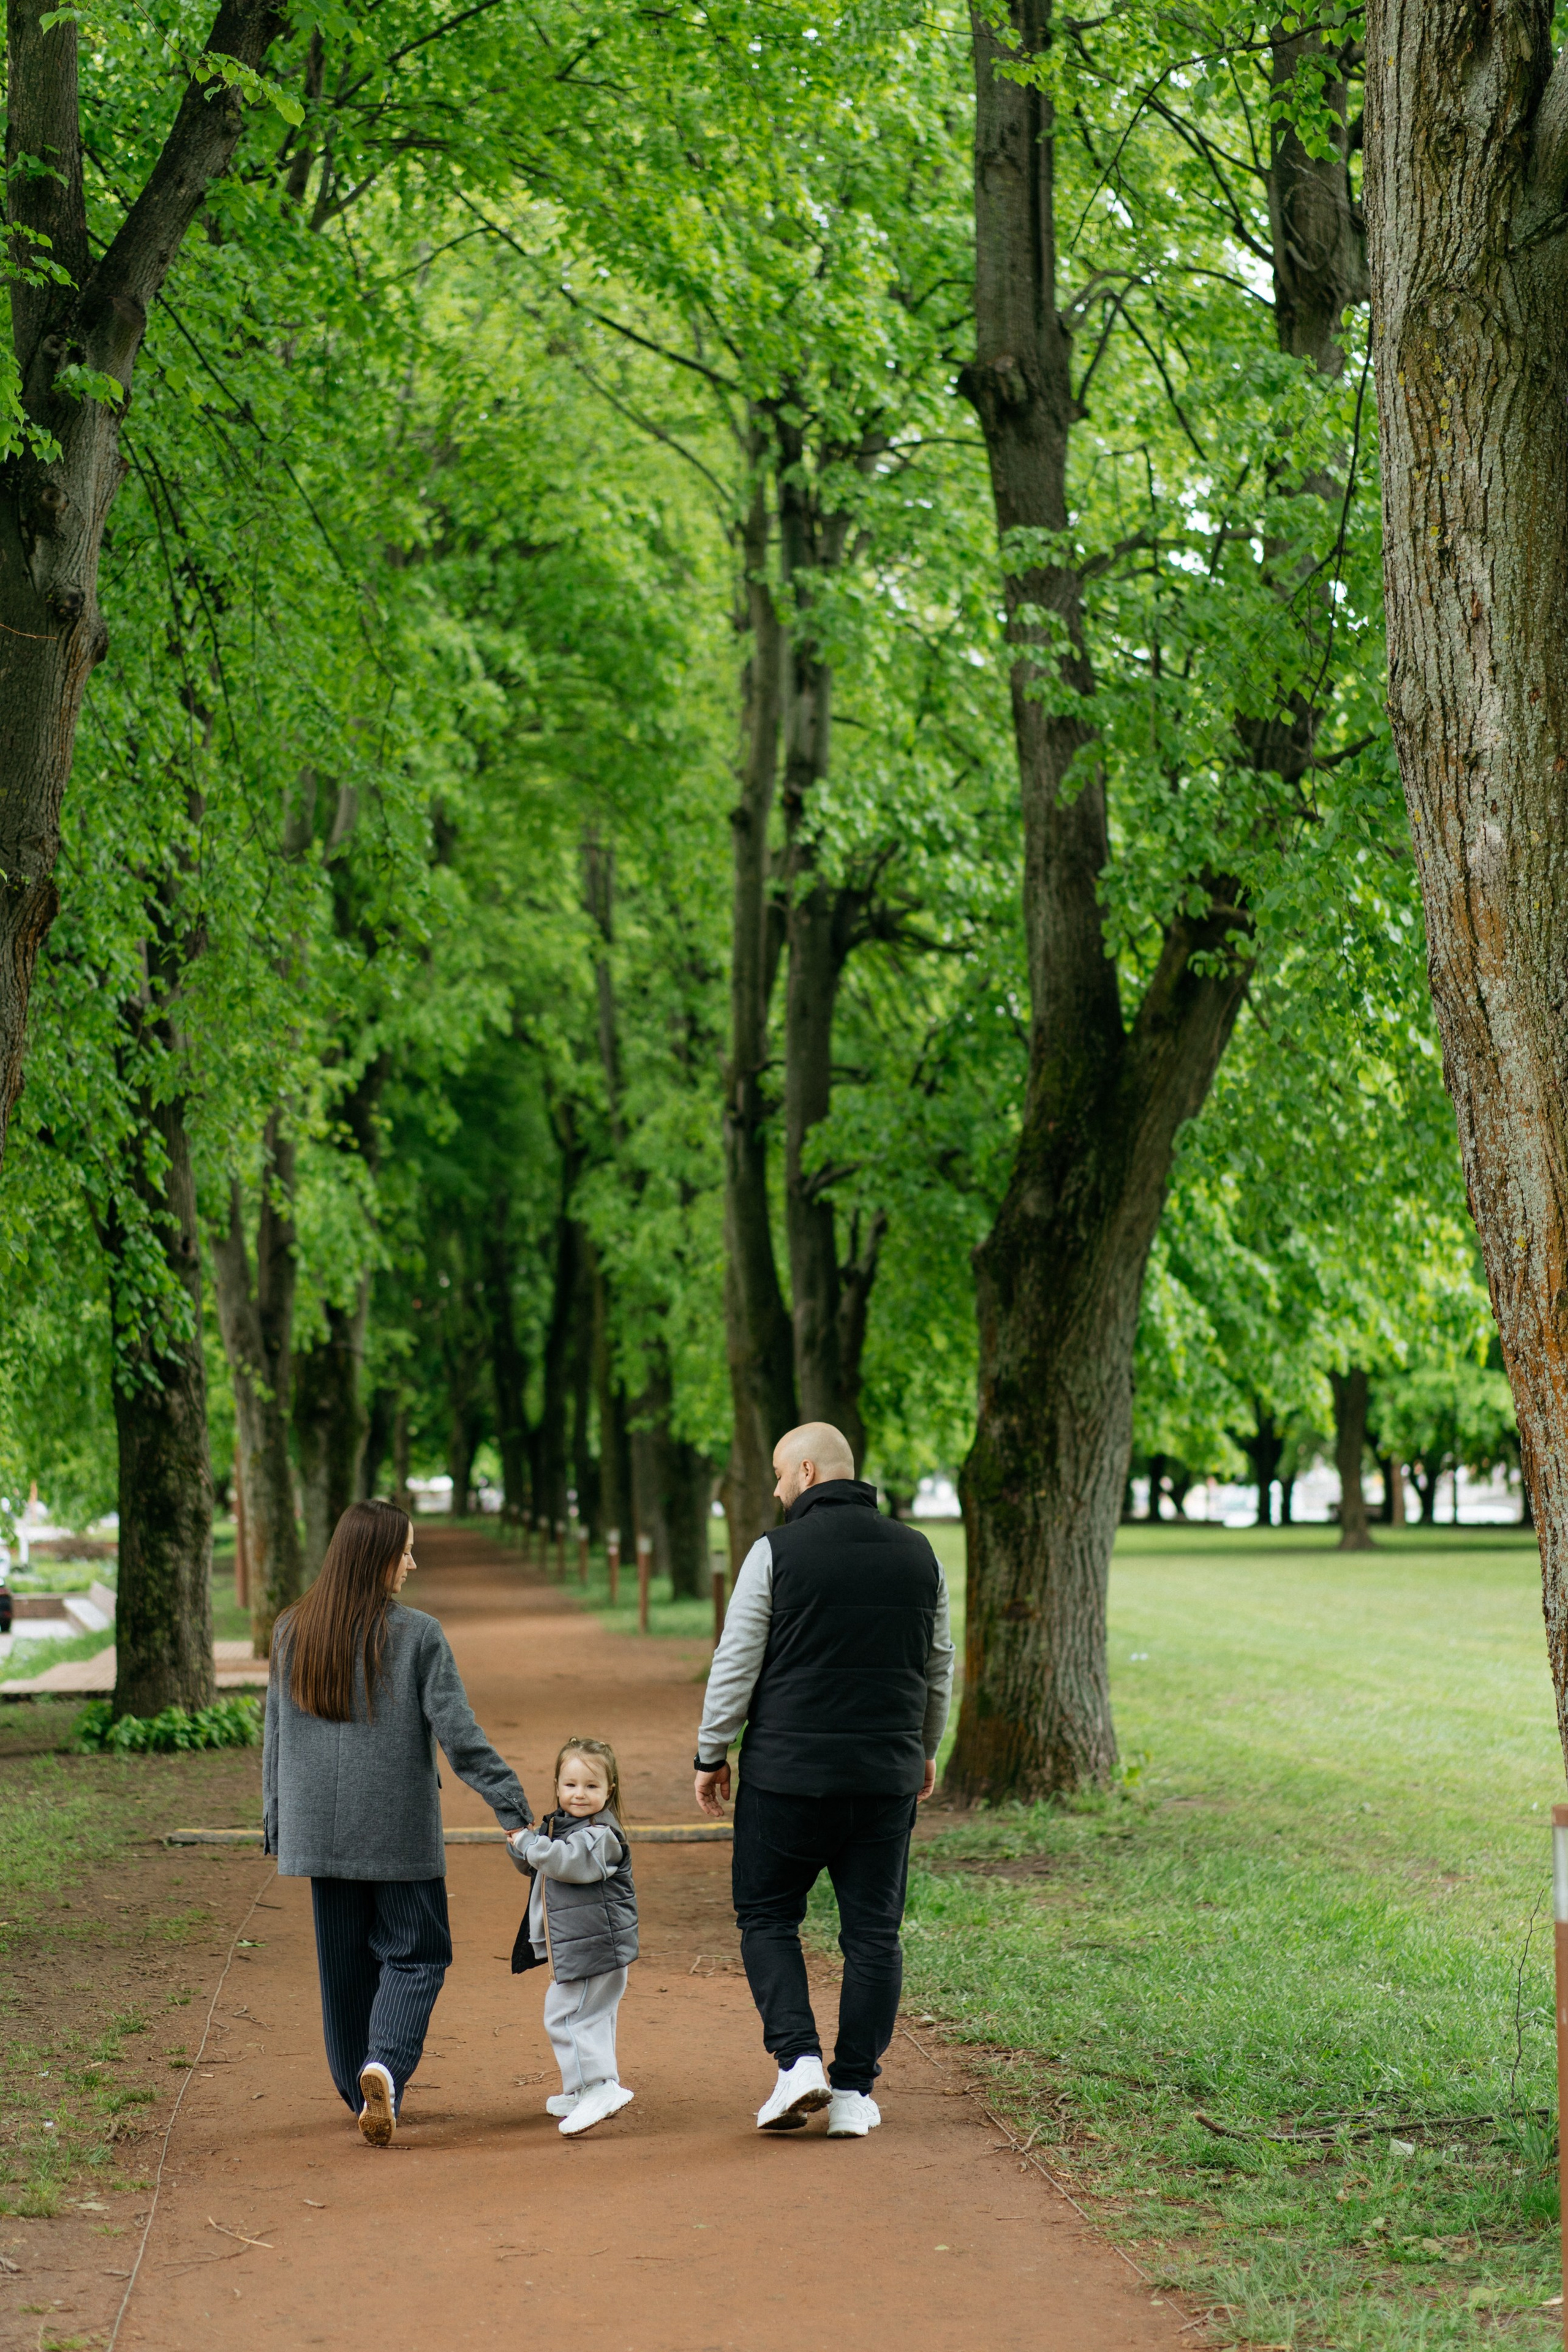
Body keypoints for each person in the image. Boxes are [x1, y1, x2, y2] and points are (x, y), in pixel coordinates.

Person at [694, 1422, 955, 2139]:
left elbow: (736, 1659)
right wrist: (926, 1748)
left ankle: (798, 2061)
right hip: (884, 1779)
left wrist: (711, 1751)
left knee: (768, 1916)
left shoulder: (774, 1553)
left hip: (786, 1780)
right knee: (874, 1935)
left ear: (807, 1472)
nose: (776, 1489)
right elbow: (937, 1665)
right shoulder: (919, 1554)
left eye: (780, 1474)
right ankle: (854, 2094)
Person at [263, 1498, 532, 2147]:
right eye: (405, 1550)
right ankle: (383, 2064)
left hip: (317, 1831)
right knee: (417, 1953)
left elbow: (274, 1736)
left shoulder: (291, 1629)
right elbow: (459, 1734)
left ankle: (358, 2082)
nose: (412, 1562)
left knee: (344, 1967)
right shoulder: (415, 1633)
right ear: (377, 1556)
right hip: (394, 1827)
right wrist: (512, 1807)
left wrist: (275, 1820)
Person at [508, 1735, 638, 2138]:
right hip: (590, 1942)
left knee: (566, 2014)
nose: (579, 1794)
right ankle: (587, 2086)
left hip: (596, 1944)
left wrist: (530, 1844)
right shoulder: (564, 1825)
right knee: (590, 2015)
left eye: (591, 1786)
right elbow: (540, 1862)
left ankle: (600, 2088)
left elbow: (568, 1861)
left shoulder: (601, 1836)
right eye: (571, 1785)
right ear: (557, 1785)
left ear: (609, 1790)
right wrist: (522, 1845)